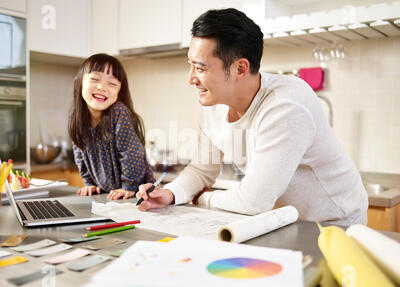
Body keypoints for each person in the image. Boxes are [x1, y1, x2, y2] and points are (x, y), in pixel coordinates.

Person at [136, 8, 368, 226]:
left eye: (201, 68)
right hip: (286, 219)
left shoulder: (286, 104)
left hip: (335, 221)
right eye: (191, 66)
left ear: (239, 68)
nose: (191, 79)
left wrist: (203, 199)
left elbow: (254, 201)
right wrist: (170, 193)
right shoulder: (213, 104)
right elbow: (202, 169)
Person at [68, 53, 155, 200]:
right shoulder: (78, 118)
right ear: (78, 83)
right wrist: (89, 182)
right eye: (94, 79)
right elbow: (79, 154)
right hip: (109, 195)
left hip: (137, 194)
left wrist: (129, 186)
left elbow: (131, 153)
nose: (102, 87)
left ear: (119, 91)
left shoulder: (118, 112)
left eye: (112, 84)